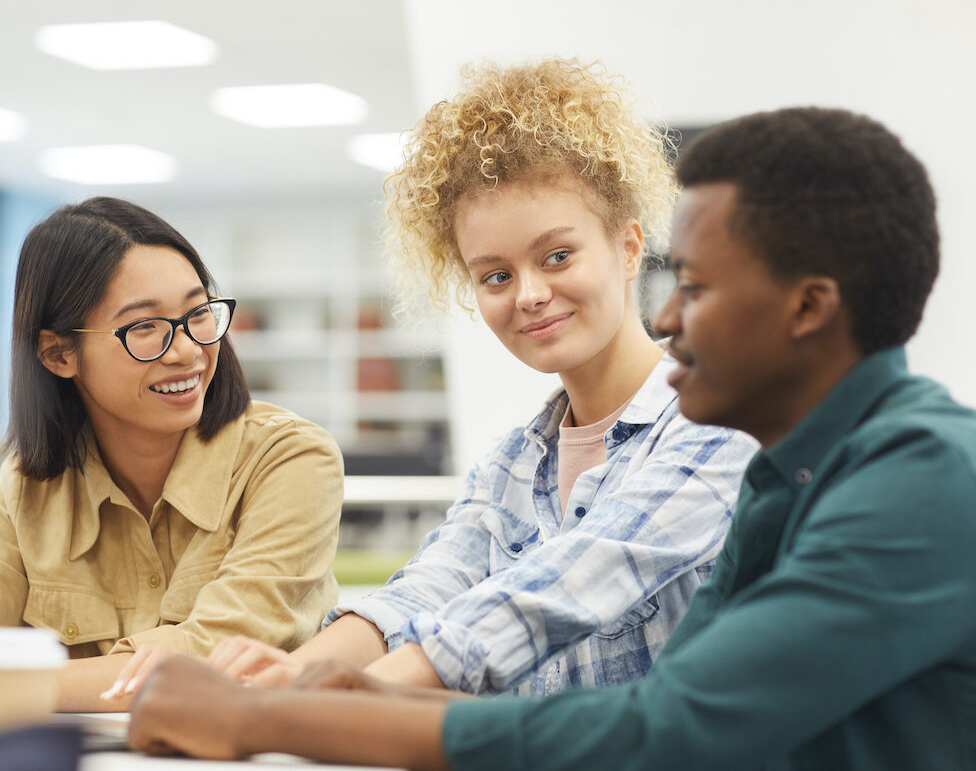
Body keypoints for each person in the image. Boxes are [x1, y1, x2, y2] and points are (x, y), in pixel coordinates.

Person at [127, 106, 976, 769]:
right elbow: (633, 708)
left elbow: (664, 727)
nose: (671, 315)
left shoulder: (920, 478)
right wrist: (326, 690)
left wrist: (283, 716)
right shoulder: (790, 475)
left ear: (808, 307)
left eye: (698, 286)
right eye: (495, 275)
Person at [195, 58, 757, 698]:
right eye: (496, 275)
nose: (530, 294)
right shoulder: (513, 466)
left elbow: (579, 578)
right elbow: (427, 587)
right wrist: (297, 674)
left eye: (557, 256)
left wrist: (354, 695)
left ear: (629, 249)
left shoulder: (719, 424)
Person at [0, 197, 344, 712]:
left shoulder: (290, 459)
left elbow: (215, 659)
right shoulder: (29, 487)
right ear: (58, 354)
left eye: (198, 313)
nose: (186, 351)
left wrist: (0, 688)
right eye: (144, 327)